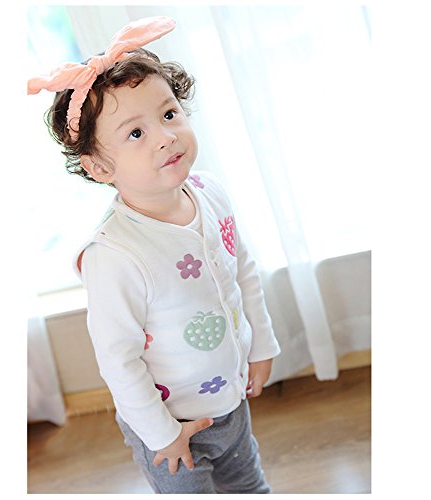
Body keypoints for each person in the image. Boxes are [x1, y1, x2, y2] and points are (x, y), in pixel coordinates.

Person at [28, 16, 281, 494]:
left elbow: (243, 272)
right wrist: (163, 435)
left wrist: (261, 345)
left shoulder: (211, 192)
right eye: (135, 134)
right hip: (169, 426)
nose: (165, 136)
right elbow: (118, 359)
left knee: (250, 486)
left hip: (229, 400)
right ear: (99, 166)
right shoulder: (114, 255)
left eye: (168, 114)